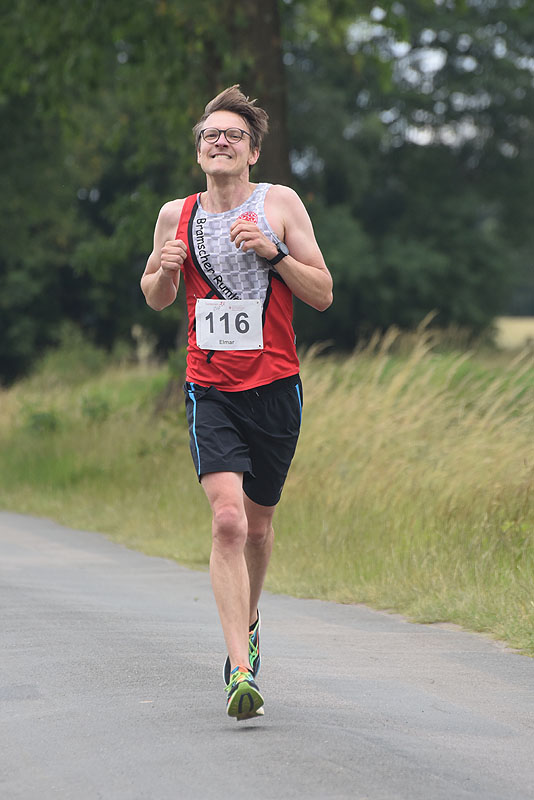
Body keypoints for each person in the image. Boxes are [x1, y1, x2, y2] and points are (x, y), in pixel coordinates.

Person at [141, 85, 333, 720]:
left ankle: (249, 623)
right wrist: (165, 270)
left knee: (258, 526)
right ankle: (240, 672)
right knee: (227, 521)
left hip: (275, 387)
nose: (219, 142)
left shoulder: (279, 204)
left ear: (252, 152)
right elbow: (155, 296)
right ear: (199, 151)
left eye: (233, 135)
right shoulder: (176, 214)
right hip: (211, 388)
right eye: (209, 135)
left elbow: (322, 292)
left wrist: (274, 254)